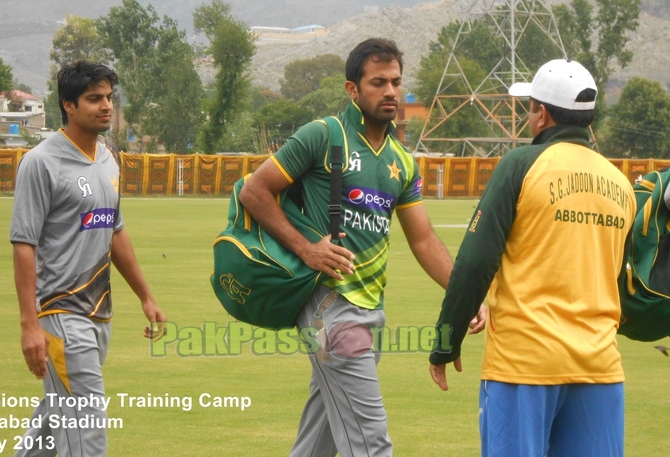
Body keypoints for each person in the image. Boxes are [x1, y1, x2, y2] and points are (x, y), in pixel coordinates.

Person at [240, 38, 485, 457]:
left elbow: (423, 239)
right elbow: (254, 192)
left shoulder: (402, 160)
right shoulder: (323, 135)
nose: (390, 92)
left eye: (396, 82)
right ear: (353, 89)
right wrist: (306, 248)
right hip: (328, 307)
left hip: (370, 310)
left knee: (321, 439)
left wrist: (466, 293)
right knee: (371, 443)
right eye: (378, 82)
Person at [429, 59, 636, 457]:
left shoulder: (519, 166)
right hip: (599, 368)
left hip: (524, 366)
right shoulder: (619, 182)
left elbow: (474, 263)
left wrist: (444, 343)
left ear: (541, 114)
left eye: (530, 106)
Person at [11, 61, 166, 457]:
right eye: (94, 98)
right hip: (60, 315)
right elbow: (23, 244)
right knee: (87, 430)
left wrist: (145, 297)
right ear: (68, 105)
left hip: (100, 316)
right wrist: (30, 325)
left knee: (52, 427)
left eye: (109, 98)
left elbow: (113, 231)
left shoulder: (108, 159)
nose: (106, 106)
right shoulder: (40, 162)